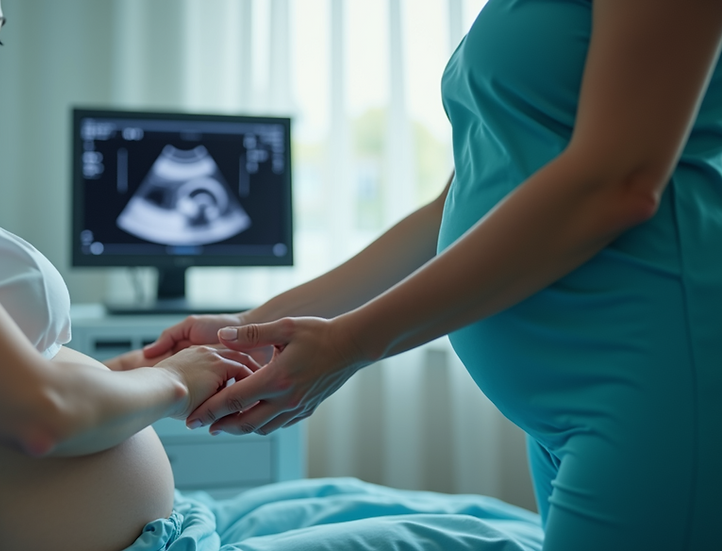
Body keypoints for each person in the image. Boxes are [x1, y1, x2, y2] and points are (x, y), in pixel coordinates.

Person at [0, 1, 548, 551]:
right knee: (494, 536)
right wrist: (176, 382)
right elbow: (38, 415)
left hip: (167, 525)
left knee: (464, 517)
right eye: (0, 30)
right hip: (154, 537)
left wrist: (128, 370)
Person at [145, 1, 722, 549]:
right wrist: (249, 326)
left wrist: (351, 343)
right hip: (561, 412)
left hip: (652, 382)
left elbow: (618, 182)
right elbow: (452, 212)